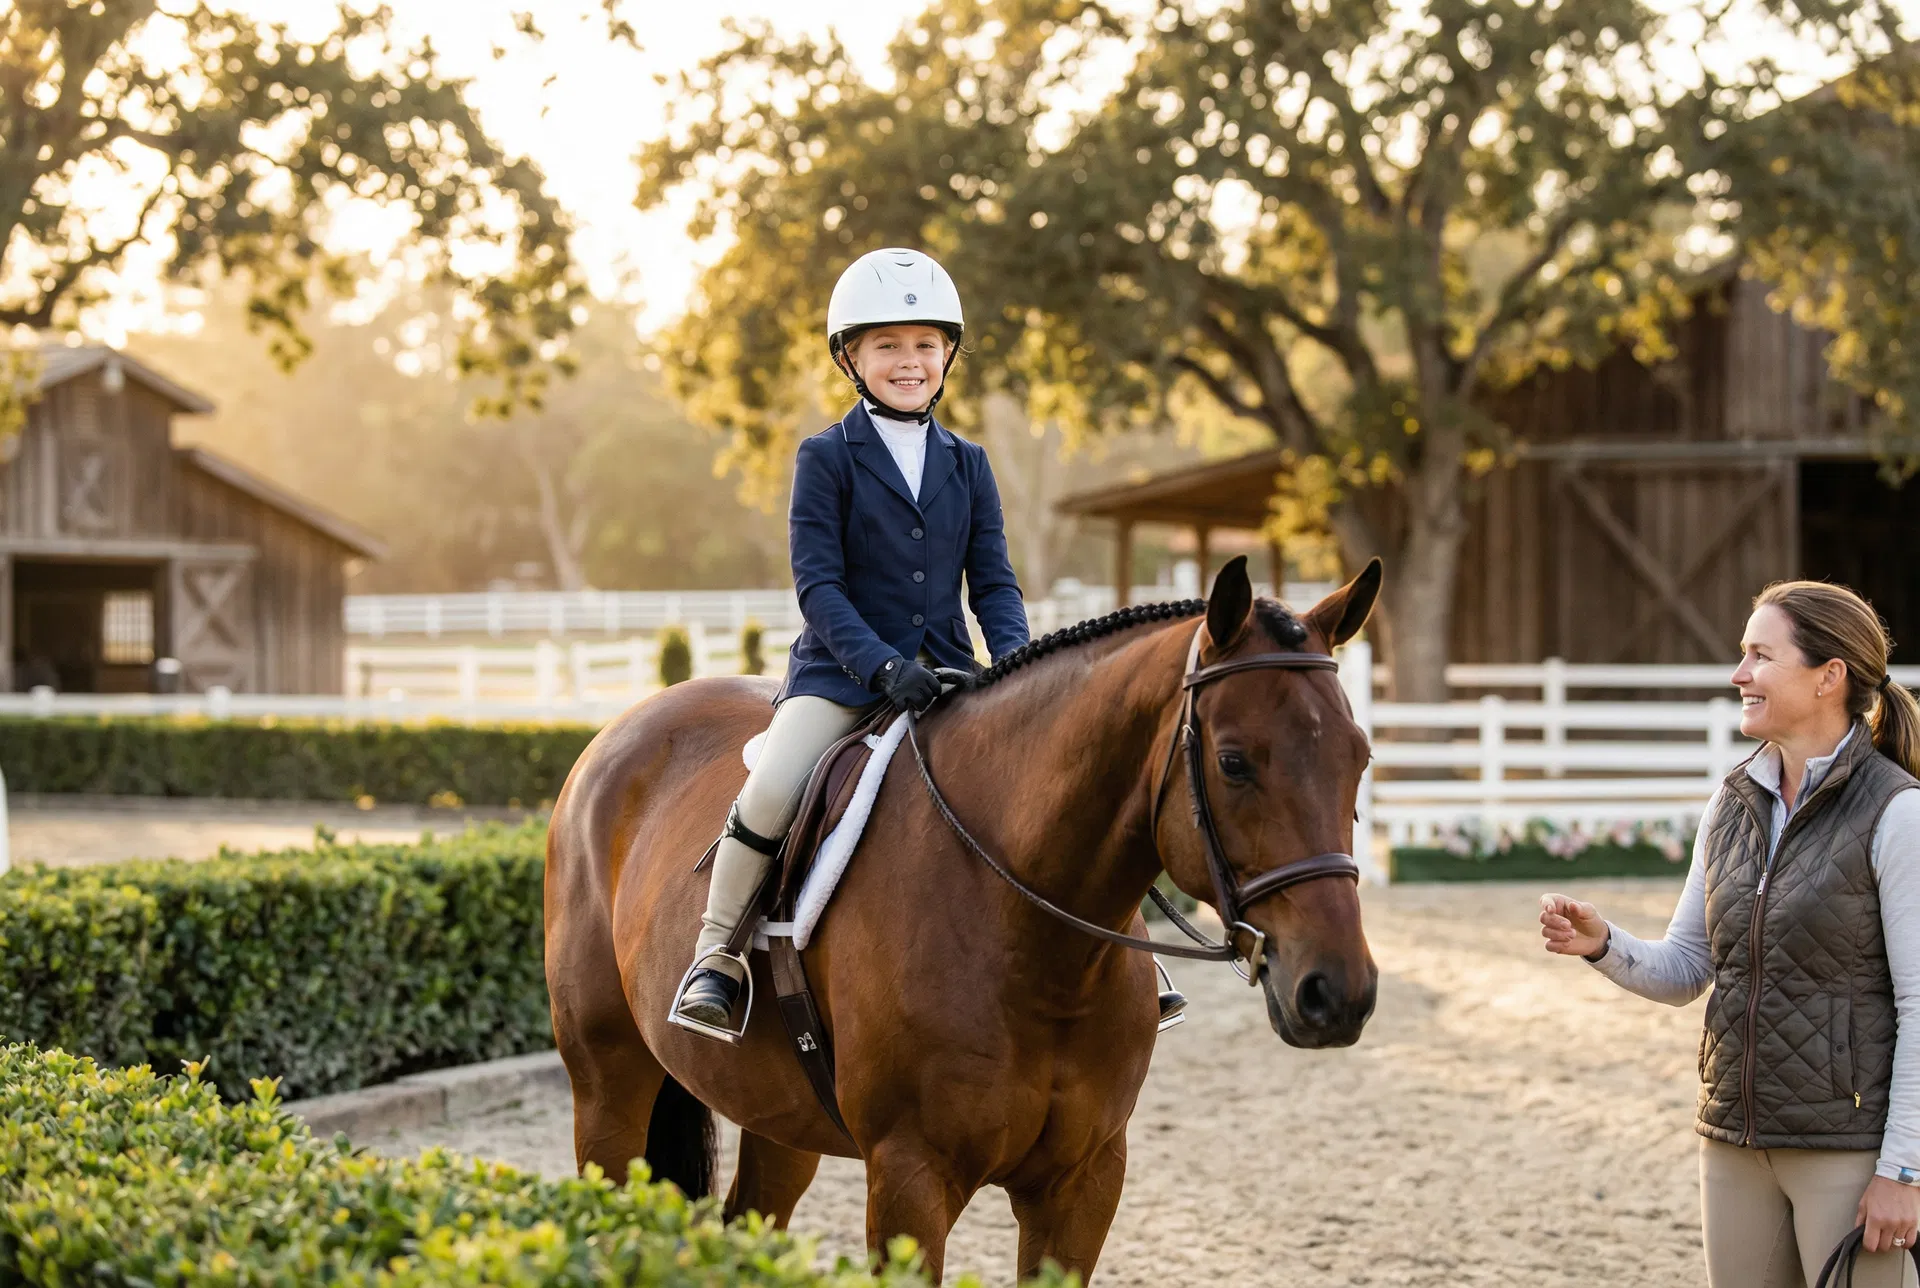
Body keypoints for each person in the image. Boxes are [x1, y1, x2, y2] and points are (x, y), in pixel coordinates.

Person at [671, 247, 1037, 1035]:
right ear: (851, 356)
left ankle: (1132, 959)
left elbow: (996, 584)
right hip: (842, 678)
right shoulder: (825, 458)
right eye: (888, 346)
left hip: (949, 674)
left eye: (925, 345)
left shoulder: (968, 464)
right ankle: (716, 955)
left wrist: (1016, 666)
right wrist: (879, 664)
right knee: (772, 786)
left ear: (948, 355)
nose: (910, 362)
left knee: (1051, 779)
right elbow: (820, 587)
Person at [1541, 581, 1920, 1287]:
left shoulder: (1897, 814)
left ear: (1828, 676)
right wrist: (1602, 943)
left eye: (1759, 655)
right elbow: (1687, 967)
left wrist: (1905, 1171)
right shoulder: (1732, 801)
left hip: (1848, 1150)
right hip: (1734, 1144)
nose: (1738, 674)